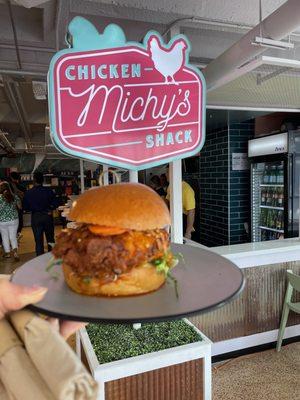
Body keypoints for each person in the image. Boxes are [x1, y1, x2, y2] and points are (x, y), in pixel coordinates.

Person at [23, 171, 59, 256]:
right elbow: (56, 203)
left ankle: (40, 260)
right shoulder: (49, 191)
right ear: (43, 180)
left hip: (36, 217)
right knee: (50, 239)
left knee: (38, 241)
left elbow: (25, 207)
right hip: (47, 216)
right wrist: (50, 208)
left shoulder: (28, 193)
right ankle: (52, 258)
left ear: (34, 180)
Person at [165, 167, 196, 240]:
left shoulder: (187, 189)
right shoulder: (170, 186)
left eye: (167, 172)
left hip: (184, 221)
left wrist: (188, 232)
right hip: (173, 218)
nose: (165, 174)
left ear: (174, 173)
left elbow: (191, 211)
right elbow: (167, 201)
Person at [0, 182, 21, 260]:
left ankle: (7, 253)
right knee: (13, 236)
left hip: (2, 221)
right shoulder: (14, 196)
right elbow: (20, 207)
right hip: (14, 219)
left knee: (4, 236)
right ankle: (15, 253)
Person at [10, 172, 26, 238]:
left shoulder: (9, 186)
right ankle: (18, 233)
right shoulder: (22, 186)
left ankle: (14, 235)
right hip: (20, 206)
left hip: (11, 207)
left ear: (11, 177)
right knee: (20, 220)